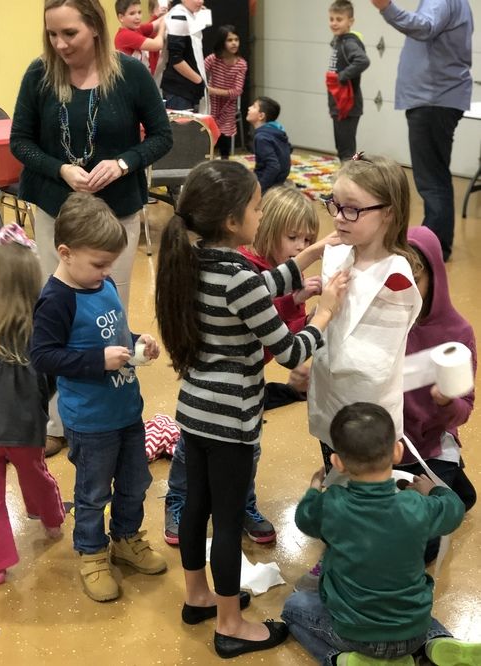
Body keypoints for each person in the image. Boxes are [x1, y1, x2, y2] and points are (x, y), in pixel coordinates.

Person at [155, 160, 348, 658]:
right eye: (258, 208)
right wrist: (326, 310)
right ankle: (230, 624)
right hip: (231, 422)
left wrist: (309, 255)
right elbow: (290, 352)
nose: (261, 217)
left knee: (195, 508)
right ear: (232, 220)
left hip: (195, 411)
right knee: (225, 520)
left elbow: (261, 287)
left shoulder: (195, 259)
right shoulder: (238, 276)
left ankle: (197, 596)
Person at [10, 0, 172, 457]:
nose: (60, 44)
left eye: (70, 34)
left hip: (115, 216)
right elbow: (21, 141)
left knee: (107, 316)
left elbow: (162, 136)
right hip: (56, 213)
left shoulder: (130, 74)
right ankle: (57, 421)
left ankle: (111, 415)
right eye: (53, 34)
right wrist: (60, 169)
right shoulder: (39, 74)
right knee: (55, 317)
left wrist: (123, 163)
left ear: (96, 28)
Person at [163, 185, 332, 547]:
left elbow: (271, 317)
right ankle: (180, 500)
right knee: (198, 453)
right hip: (223, 393)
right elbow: (280, 343)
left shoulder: (231, 265)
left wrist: (300, 300)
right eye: (293, 237)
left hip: (238, 390)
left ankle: (240, 503)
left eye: (307, 239)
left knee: (240, 452)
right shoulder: (241, 271)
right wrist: (323, 317)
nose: (301, 246)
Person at [30, 193, 166, 603]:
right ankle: (91, 553)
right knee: (92, 494)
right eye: (99, 264)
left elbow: (113, 333)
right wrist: (97, 361)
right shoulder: (56, 299)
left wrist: (137, 340)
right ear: (65, 253)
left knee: (135, 483)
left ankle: (126, 538)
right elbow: (42, 356)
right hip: (90, 422)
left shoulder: (100, 283)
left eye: (110, 264)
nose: (107, 273)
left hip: (126, 410)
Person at [282, 402, 481, 666]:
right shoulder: (416, 506)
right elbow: (454, 510)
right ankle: (437, 641)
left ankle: (343, 660)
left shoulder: (332, 505)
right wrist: (434, 490)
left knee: (294, 606)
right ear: (398, 451)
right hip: (413, 631)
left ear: (337, 462)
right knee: (407, 612)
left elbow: (304, 518)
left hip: (355, 635)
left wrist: (314, 488)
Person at [308, 153, 422, 473]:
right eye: (334, 204)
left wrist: (317, 339)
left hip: (367, 422)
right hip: (330, 402)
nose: (339, 218)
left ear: (388, 213)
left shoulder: (395, 279)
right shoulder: (339, 254)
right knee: (334, 473)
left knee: (361, 489)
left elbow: (374, 362)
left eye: (353, 209)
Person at [0, 225, 65, 586]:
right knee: (36, 475)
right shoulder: (39, 333)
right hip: (26, 430)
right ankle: (51, 519)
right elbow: (51, 380)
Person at [370, 0, 473, 262]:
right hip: (435, 100)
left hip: (433, 100)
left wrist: (387, 7)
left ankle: (432, 249)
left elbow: (425, 26)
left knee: (432, 180)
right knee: (435, 176)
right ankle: (436, 243)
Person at [397, 225, 477, 563]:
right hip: (385, 445)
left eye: (416, 281)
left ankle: (451, 476)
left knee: (421, 548)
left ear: (435, 278)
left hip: (429, 441)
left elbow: (464, 409)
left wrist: (446, 402)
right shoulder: (383, 321)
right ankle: (453, 484)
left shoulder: (457, 333)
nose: (406, 293)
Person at [326, 1, 370, 161]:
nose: (334, 23)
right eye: (331, 19)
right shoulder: (340, 40)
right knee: (342, 147)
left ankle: (352, 174)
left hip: (347, 104)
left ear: (350, 21)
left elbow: (363, 61)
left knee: (346, 150)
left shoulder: (349, 43)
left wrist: (341, 77)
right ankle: (348, 172)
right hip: (338, 103)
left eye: (339, 19)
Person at [204, 25, 248, 159]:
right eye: (230, 40)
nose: (234, 43)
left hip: (228, 105)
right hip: (212, 104)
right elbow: (200, 73)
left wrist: (212, 90)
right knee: (207, 133)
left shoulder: (241, 64)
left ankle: (225, 161)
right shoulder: (212, 59)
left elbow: (237, 91)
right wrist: (205, 89)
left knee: (225, 137)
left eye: (236, 39)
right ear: (222, 42)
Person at [161, 0, 208, 112]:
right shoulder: (178, 16)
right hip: (179, 90)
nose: (200, 1)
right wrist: (199, 81)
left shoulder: (188, 14)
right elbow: (176, 59)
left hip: (187, 89)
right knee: (181, 123)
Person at [246, 96, 292, 194]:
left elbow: (273, 166)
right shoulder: (276, 131)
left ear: (261, 116)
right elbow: (289, 148)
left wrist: (260, 189)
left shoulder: (262, 137)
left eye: (254, 107)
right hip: (280, 181)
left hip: (268, 186)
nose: (249, 108)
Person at [114, 0, 166, 71]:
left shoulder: (136, 29)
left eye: (139, 12)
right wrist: (162, 27)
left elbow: (156, 24)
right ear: (121, 17)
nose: (138, 17)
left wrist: (169, 14)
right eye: (132, 14)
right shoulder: (124, 35)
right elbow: (157, 45)